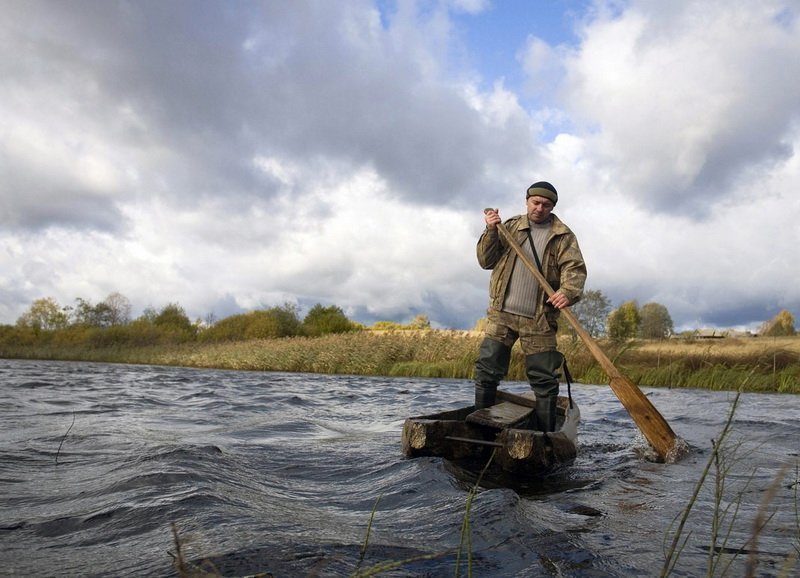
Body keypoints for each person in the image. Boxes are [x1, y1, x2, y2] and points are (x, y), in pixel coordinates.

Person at [474, 181, 587, 432]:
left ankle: (545, 437)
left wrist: (568, 292)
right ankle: (479, 427)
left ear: (553, 207)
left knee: (544, 379)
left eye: (546, 205)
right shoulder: (510, 227)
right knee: (487, 370)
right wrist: (491, 230)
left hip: (540, 320)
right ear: (527, 202)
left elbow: (574, 269)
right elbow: (485, 260)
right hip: (501, 314)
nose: (539, 208)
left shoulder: (563, 235)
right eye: (535, 202)